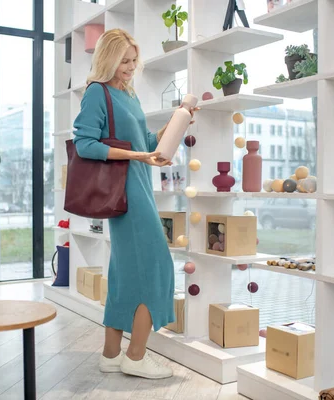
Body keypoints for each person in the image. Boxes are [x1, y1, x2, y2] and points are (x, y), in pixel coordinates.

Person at [72, 28, 199, 379]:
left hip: (139, 187)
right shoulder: (97, 92)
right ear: (107, 59)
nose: (130, 67)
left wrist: (177, 121)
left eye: (133, 60)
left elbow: (141, 140)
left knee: (125, 273)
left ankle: (112, 354)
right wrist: (136, 155)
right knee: (156, 266)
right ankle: (137, 357)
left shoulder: (127, 94)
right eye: (123, 60)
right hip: (125, 192)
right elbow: (85, 144)